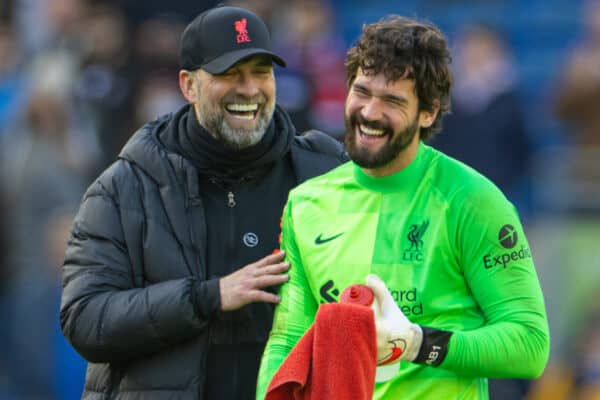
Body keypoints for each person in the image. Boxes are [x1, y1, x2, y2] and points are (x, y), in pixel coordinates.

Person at [59, 5, 346, 400]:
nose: (248, 89)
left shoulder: (325, 176)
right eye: (229, 74)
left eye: (261, 72)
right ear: (188, 85)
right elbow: (85, 318)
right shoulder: (126, 187)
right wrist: (207, 297)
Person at [257, 15, 550, 400]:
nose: (370, 112)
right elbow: (288, 340)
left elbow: (529, 345)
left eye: (392, 100)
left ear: (427, 112)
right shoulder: (306, 202)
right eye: (362, 92)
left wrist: (414, 342)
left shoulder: (473, 200)